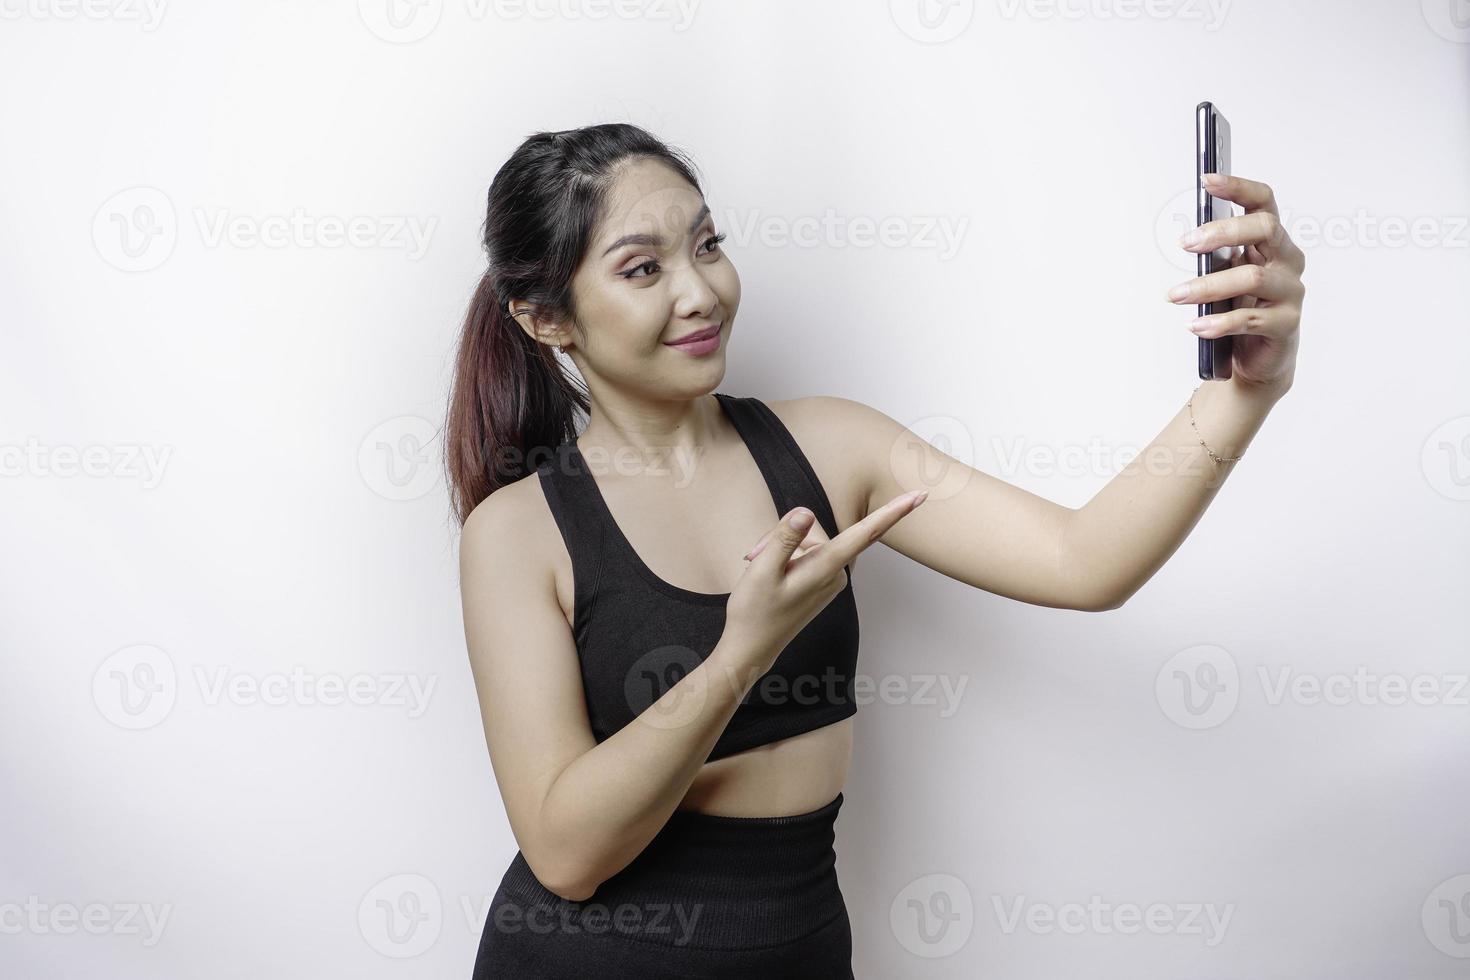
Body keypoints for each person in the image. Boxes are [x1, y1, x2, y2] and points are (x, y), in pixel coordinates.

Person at [445, 123, 1304, 978]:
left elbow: (1083, 561)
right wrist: (743, 652)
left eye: (707, 245)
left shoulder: (832, 445)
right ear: (546, 317)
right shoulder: (519, 532)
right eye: (643, 268)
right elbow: (565, 854)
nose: (702, 292)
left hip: (803, 948)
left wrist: (1243, 394)